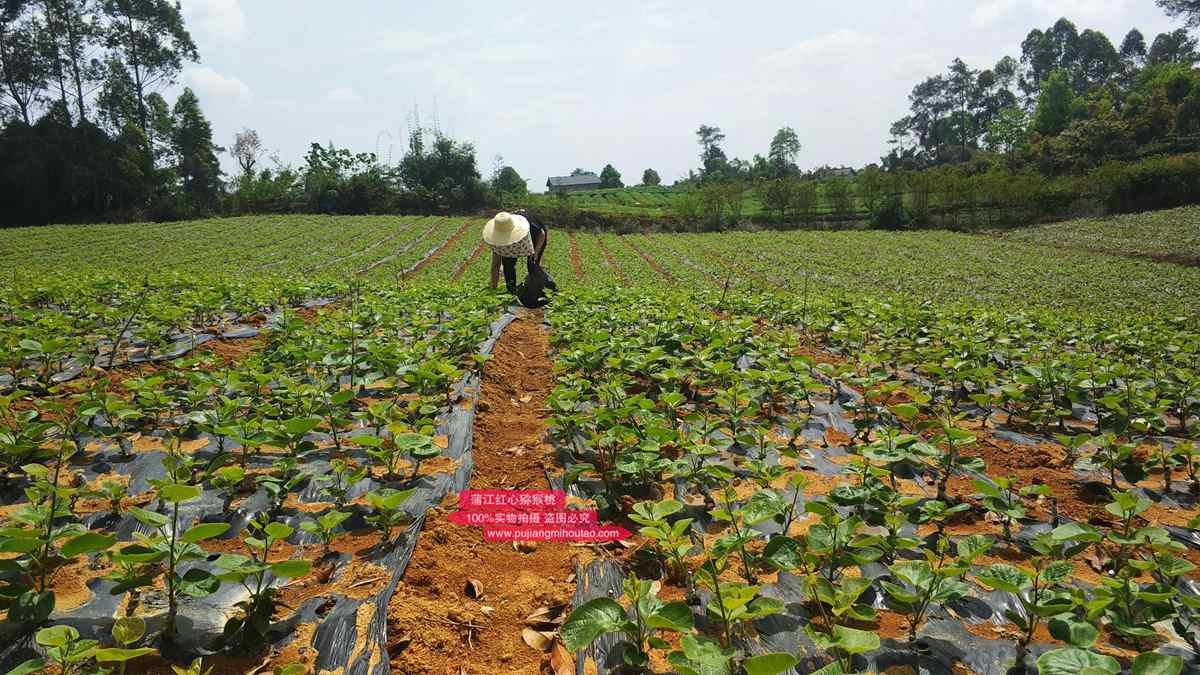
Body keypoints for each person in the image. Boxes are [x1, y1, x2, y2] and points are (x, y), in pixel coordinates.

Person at [484, 211, 555, 294]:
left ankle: (542, 289)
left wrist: (536, 252)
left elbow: (542, 234)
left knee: (532, 265)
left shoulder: (526, 224)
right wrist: (493, 289)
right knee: (508, 265)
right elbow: (495, 266)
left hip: (536, 238)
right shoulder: (497, 240)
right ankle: (511, 291)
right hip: (517, 243)